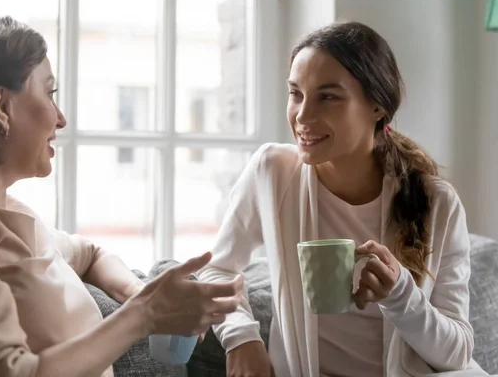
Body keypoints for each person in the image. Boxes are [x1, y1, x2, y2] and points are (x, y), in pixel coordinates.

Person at [0, 15, 244, 377]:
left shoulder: (7, 212)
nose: (60, 118)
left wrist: (137, 292)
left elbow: (92, 254)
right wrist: (146, 314)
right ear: (1, 106)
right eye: (49, 94)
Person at [198, 21, 487, 376]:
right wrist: (241, 338)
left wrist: (400, 296)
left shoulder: (436, 202)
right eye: (296, 94)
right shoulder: (273, 173)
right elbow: (218, 269)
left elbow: (456, 354)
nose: (302, 116)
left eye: (328, 96)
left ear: (377, 106)